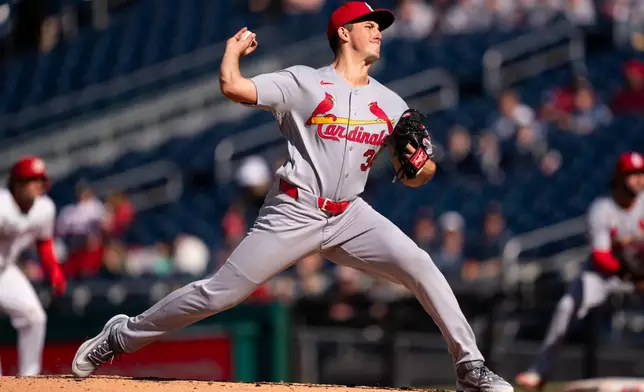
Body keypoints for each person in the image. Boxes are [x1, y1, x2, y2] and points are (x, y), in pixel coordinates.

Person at [71, 3, 512, 390]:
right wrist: (230, 53)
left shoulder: (393, 104)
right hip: (295, 209)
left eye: (381, 25)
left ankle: (470, 366)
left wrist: (419, 165)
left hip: (351, 216)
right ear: (344, 32)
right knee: (218, 295)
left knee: (419, 263)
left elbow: (418, 175)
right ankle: (121, 335)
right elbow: (232, 87)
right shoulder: (304, 83)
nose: (379, 30)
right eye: (369, 23)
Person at [515, 151, 644, 390]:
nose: (638, 179)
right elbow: (601, 256)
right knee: (566, 307)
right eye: (632, 174)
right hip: (603, 275)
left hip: (640, 273)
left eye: (641, 174)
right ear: (619, 177)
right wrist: (633, 276)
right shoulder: (602, 209)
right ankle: (539, 371)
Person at [0, 156, 67, 376]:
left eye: (41, 179)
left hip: (4, 270)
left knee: (34, 316)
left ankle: (29, 380)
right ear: (17, 183)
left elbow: (44, 240)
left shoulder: (44, 208)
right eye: (32, 179)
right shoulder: (2, 205)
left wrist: (53, 269)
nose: (39, 184)